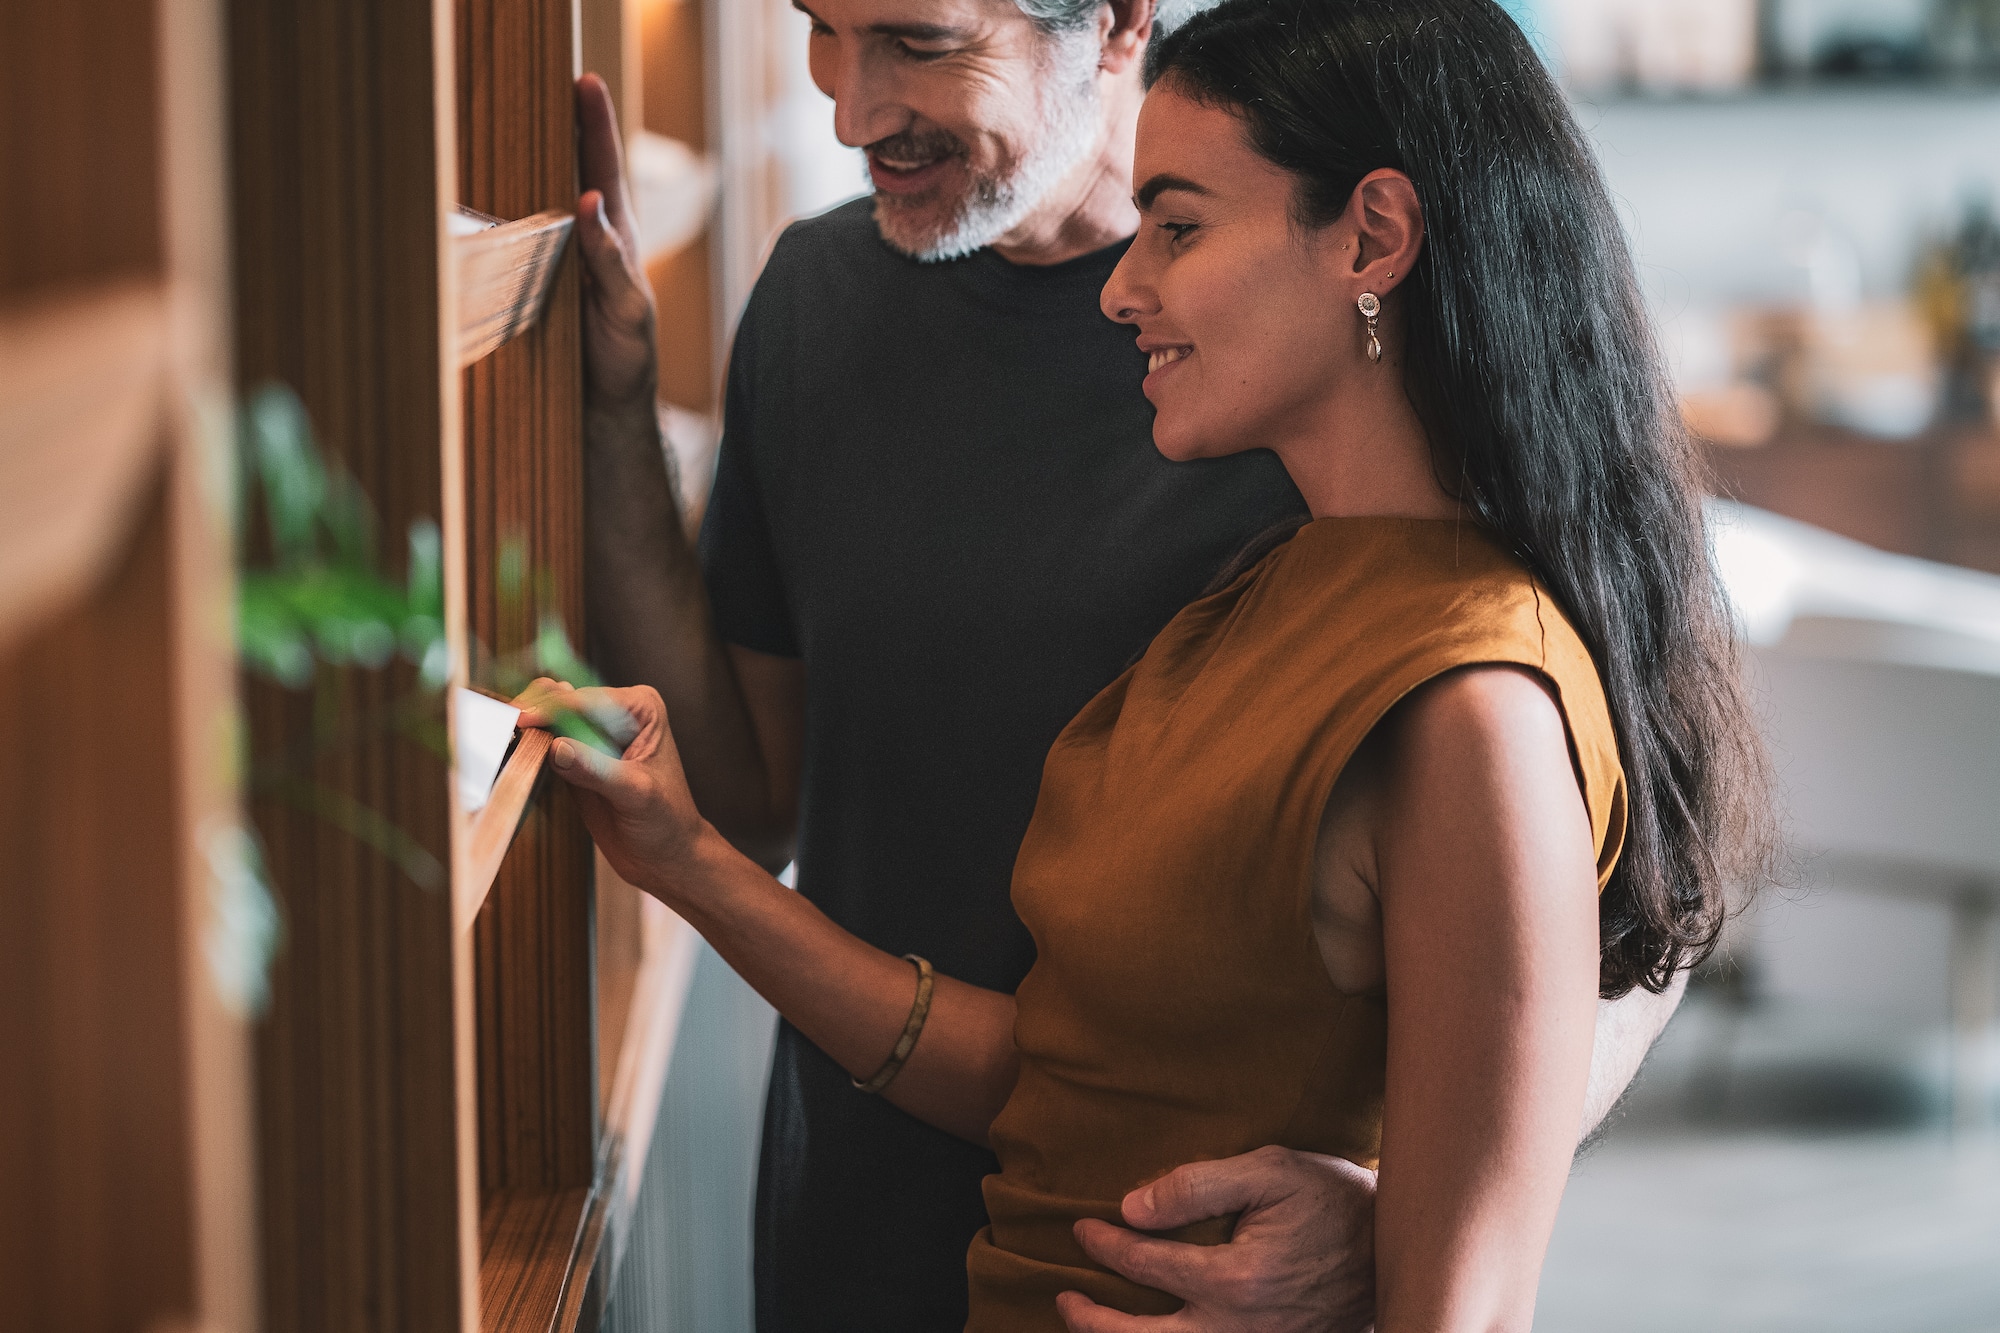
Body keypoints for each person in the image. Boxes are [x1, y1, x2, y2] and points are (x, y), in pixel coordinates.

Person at [569, 0, 1695, 1326]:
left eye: (921, 41)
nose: (849, 109)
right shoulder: (817, 303)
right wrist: (604, 413)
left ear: (1111, 22)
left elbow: (1631, 893)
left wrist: (1412, 1205)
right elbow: (768, 803)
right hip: (861, 1217)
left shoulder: (1344, 425)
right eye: (823, 28)